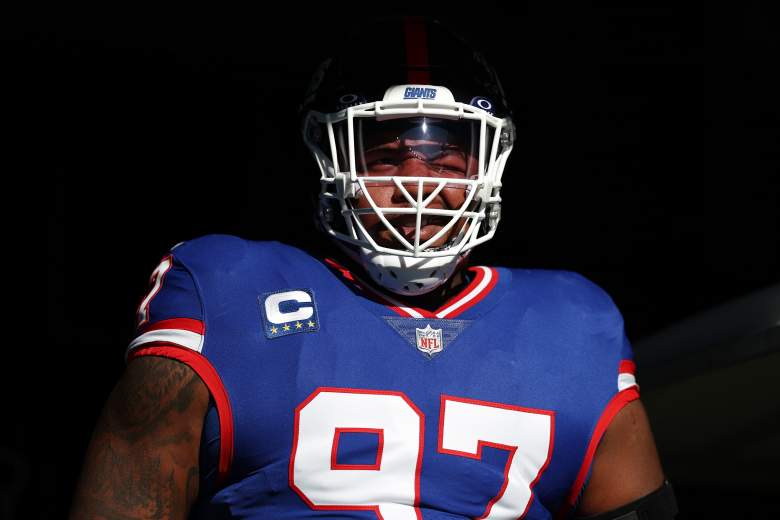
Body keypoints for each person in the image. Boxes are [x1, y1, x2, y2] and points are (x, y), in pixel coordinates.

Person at [70, 17, 677, 519]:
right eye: (388, 156)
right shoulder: (226, 283)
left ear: (489, 165)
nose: (418, 184)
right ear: (329, 159)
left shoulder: (574, 320)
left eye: (446, 162)